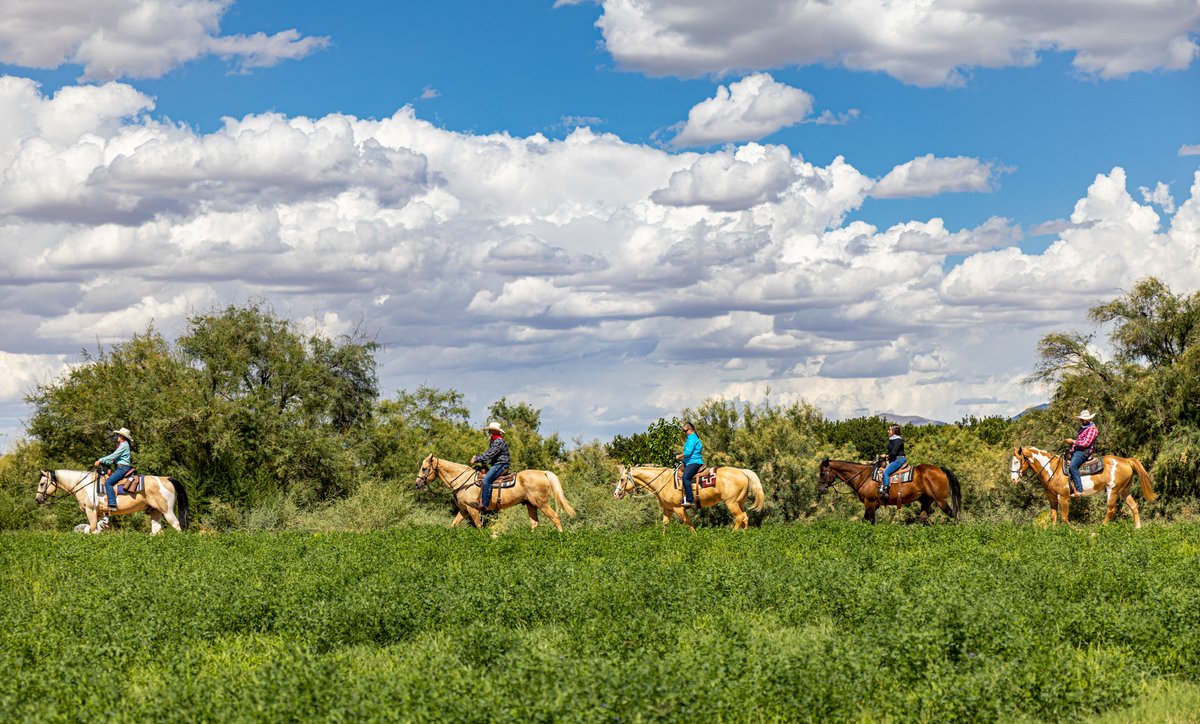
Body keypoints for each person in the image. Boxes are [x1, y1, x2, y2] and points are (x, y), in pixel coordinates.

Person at [95, 427, 133, 523]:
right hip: (119, 467)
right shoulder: (123, 445)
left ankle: (112, 504)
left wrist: (100, 460)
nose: (117, 437)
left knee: (108, 482)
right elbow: (113, 458)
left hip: (122, 468)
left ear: (122, 437)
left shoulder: (124, 445)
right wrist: (106, 462)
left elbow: (113, 456)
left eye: (119, 435)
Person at [470, 421, 510, 512]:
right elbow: (490, 454)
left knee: (486, 480)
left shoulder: (498, 441)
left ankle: (484, 504)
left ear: (495, 431)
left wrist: (476, 459)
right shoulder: (495, 440)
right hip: (497, 464)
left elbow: (490, 454)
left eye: (491, 430)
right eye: (489, 430)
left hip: (501, 464)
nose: (489, 432)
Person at [1063, 409, 1098, 498]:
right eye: (1082, 419)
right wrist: (1071, 450)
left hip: (1084, 451)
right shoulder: (1082, 429)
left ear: (1089, 419)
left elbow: (1086, 443)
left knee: (1072, 466)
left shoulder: (1092, 429)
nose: (1083, 421)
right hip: (1077, 450)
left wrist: (1073, 442)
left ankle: (1079, 490)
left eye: (1085, 419)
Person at [675, 422, 703, 509]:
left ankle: (690, 500)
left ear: (690, 430)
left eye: (685, 431)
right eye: (683, 431)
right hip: (689, 462)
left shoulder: (692, 438)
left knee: (685, 478)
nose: (684, 433)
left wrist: (679, 456)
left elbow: (688, 452)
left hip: (693, 462)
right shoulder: (692, 438)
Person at [880, 424, 906, 502]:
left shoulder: (898, 440)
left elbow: (894, 452)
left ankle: (886, 491)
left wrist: (886, 456)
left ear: (894, 430)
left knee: (886, 472)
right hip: (893, 460)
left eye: (889, 429)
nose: (888, 431)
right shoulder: (893, 439)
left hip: (898, 460)